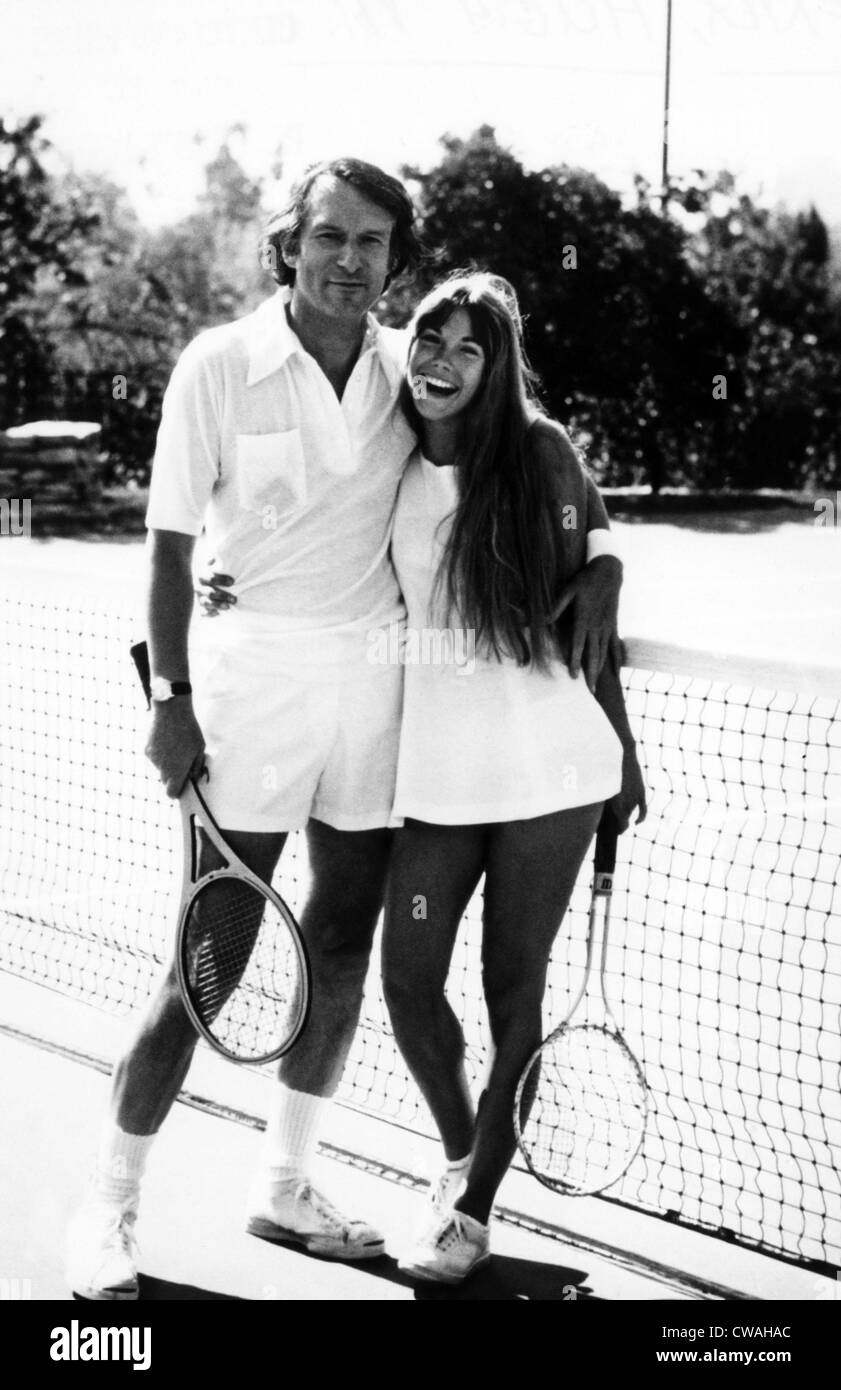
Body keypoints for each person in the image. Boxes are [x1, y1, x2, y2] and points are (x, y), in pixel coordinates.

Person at [66, 159, 624, 1300]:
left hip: (378, 705)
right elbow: (172, 547)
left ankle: (286, 1182)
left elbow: (530, 445)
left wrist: (606, 552)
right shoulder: (215, 366)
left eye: (373, 242)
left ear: (393, 261)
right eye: (330, 236)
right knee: (207, 965)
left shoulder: (405, 368)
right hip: (249, 699)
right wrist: (169, 696)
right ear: (290, 244)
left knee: (338, 952)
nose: (349, 259)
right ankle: (108, 1209)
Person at [379, 272, 647, 1284]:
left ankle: (471, 1213)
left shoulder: (535, 450)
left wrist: (622, 753)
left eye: (466, 348)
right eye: (428, 341)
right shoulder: (392, 454)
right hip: (439, 771)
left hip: (553, 770)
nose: (439, 363)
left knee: (508, 986)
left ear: (497, 369)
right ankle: (463, 1158)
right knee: (406, 978)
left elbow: (592, 634)